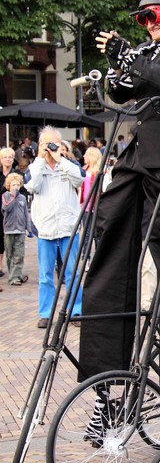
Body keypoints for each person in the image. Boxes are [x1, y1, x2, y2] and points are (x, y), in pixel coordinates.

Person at [78, 0, 160, 390]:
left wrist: (132, 57)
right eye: (142, 19)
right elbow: (122, 94)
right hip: (137, 155)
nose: (148, 25)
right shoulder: (143, 53)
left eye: (153, 17)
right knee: (110, 235)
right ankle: (104, 378)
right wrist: (117, 66)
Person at [24, 126, 84, 328]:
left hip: (68, 228)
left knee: (72, 273)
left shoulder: (68, 165)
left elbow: (80, 178)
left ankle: (76, 310)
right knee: (45, 275)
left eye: (54, 143)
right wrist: (41, 159)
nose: (50, 148)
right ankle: (46, 313)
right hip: (46, 230)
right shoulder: (35, 167)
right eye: (47, 144)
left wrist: (61, 159)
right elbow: (31, 186)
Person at [1, 172, 30, 285]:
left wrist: (29, 228)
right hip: (9, 230)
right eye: (13, 185)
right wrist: (13, 196)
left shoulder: (22, 198)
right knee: (10, 254)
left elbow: (25, 214)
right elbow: (6, 208)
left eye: (17, 185)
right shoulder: (5, 196)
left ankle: (15, 277)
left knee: (19, 254)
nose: (15, 187)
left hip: (20, 230)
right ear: (9, 186)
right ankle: (15, 274)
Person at [0, 147, 21, 278]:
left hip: (12, 212)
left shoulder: (17, 174)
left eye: (10, 157)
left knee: (13, 241)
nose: (7, 159)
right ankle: (0, 266)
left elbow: (22, 193)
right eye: (5, 157)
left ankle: (14, 269)